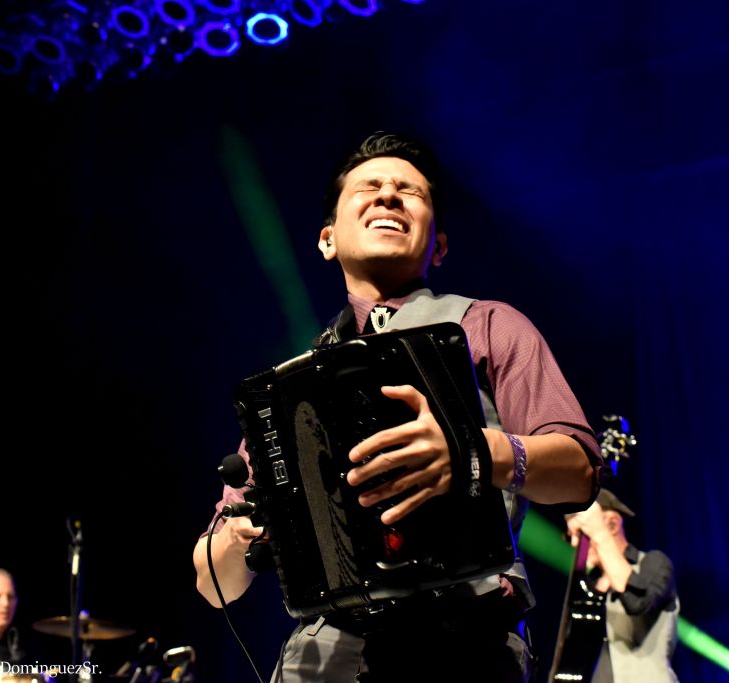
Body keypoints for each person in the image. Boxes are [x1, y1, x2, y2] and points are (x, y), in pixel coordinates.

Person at [193, 132, 603, 682]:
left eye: (410, 192)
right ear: (327, 240)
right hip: (323, 653)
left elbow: (580, 471)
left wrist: (472, 453)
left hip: (465, 641)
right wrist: (238, 538)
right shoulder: (290, 390)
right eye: (369, 187)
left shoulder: (489, 326)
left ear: (439, 246)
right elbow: (212, 584)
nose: (388, 195)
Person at [563, 488, 680, 682]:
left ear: (612, 524)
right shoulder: (587, 589)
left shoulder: (653, 563)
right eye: (570, 537)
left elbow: (637, 601)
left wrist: (599, 533)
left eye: (581, 534)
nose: (575, 544)